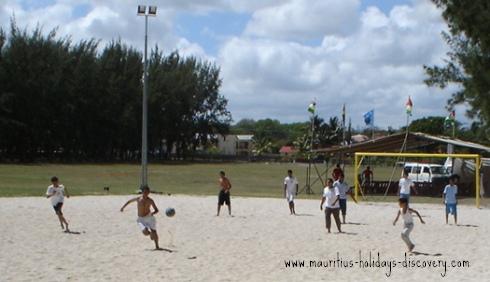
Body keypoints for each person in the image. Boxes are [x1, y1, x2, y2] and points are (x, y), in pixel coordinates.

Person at [120, 186, 162, 250]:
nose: (145, 193)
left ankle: (157, 246)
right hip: (141, 219)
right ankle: (151, 234)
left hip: (149, 217)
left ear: (149, 192)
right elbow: (129, 201)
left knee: (154, 231)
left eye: (147, 192)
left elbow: (156, 210)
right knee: (145, 232)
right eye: (144, 192)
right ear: (142, 192)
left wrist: (152, 213)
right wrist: (123, 207)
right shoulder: (138, 199)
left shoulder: (150, 200)